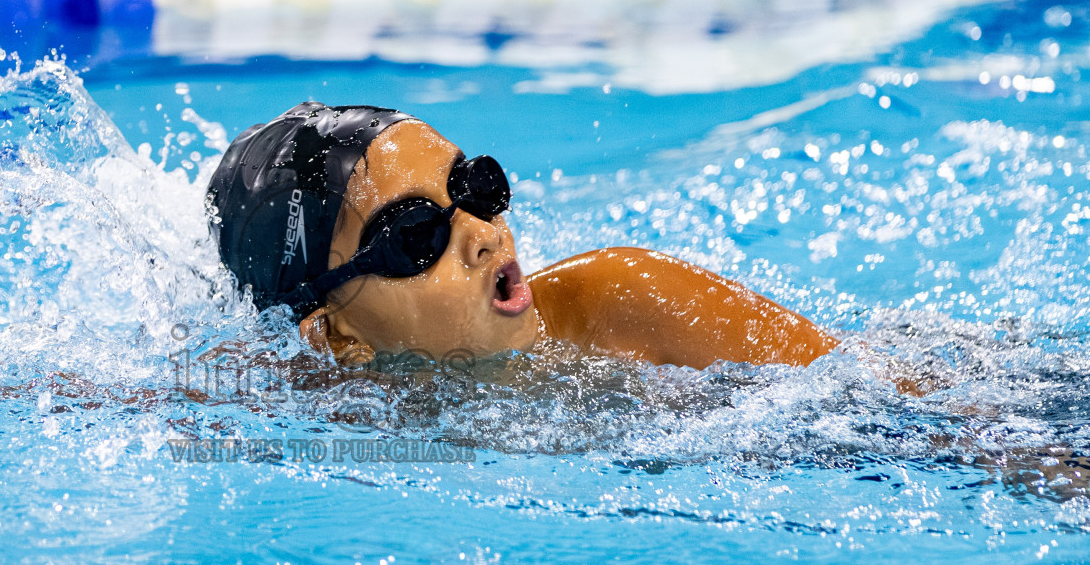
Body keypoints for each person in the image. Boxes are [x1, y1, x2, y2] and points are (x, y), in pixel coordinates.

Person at [207, 101, 837, 370]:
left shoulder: (626, 301)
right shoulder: (331, 395)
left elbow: (896, 400)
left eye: (472, 187)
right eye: (415, 234)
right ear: (340, 335)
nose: (482, 234)